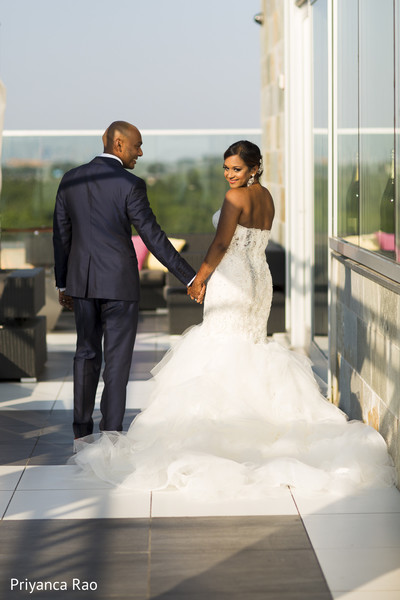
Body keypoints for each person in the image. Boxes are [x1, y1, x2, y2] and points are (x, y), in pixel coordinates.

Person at [73, 140, 396, 498]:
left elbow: (220, 244)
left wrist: (200, 279)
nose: (229, 175)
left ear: (254, 167)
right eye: (226, 168)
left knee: (221, 347)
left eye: (236, 169)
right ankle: (262, 425)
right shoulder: (268, 197)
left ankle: (226, 436)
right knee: (250, 346)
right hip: (260, 281)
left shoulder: (234, 199)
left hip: (233, 279)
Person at [53, 121, 197, 440]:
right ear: (119, 144)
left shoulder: (69, 179)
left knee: (85, 354)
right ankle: (111, 433)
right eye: (137, 145)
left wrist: (62, 284)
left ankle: (80, 432)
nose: (140, 152)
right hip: (119, 285)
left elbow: (62, 236)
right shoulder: (130, 184)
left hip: (81, 284)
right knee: (117, 361)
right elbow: (154, 238)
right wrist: (190, 277)